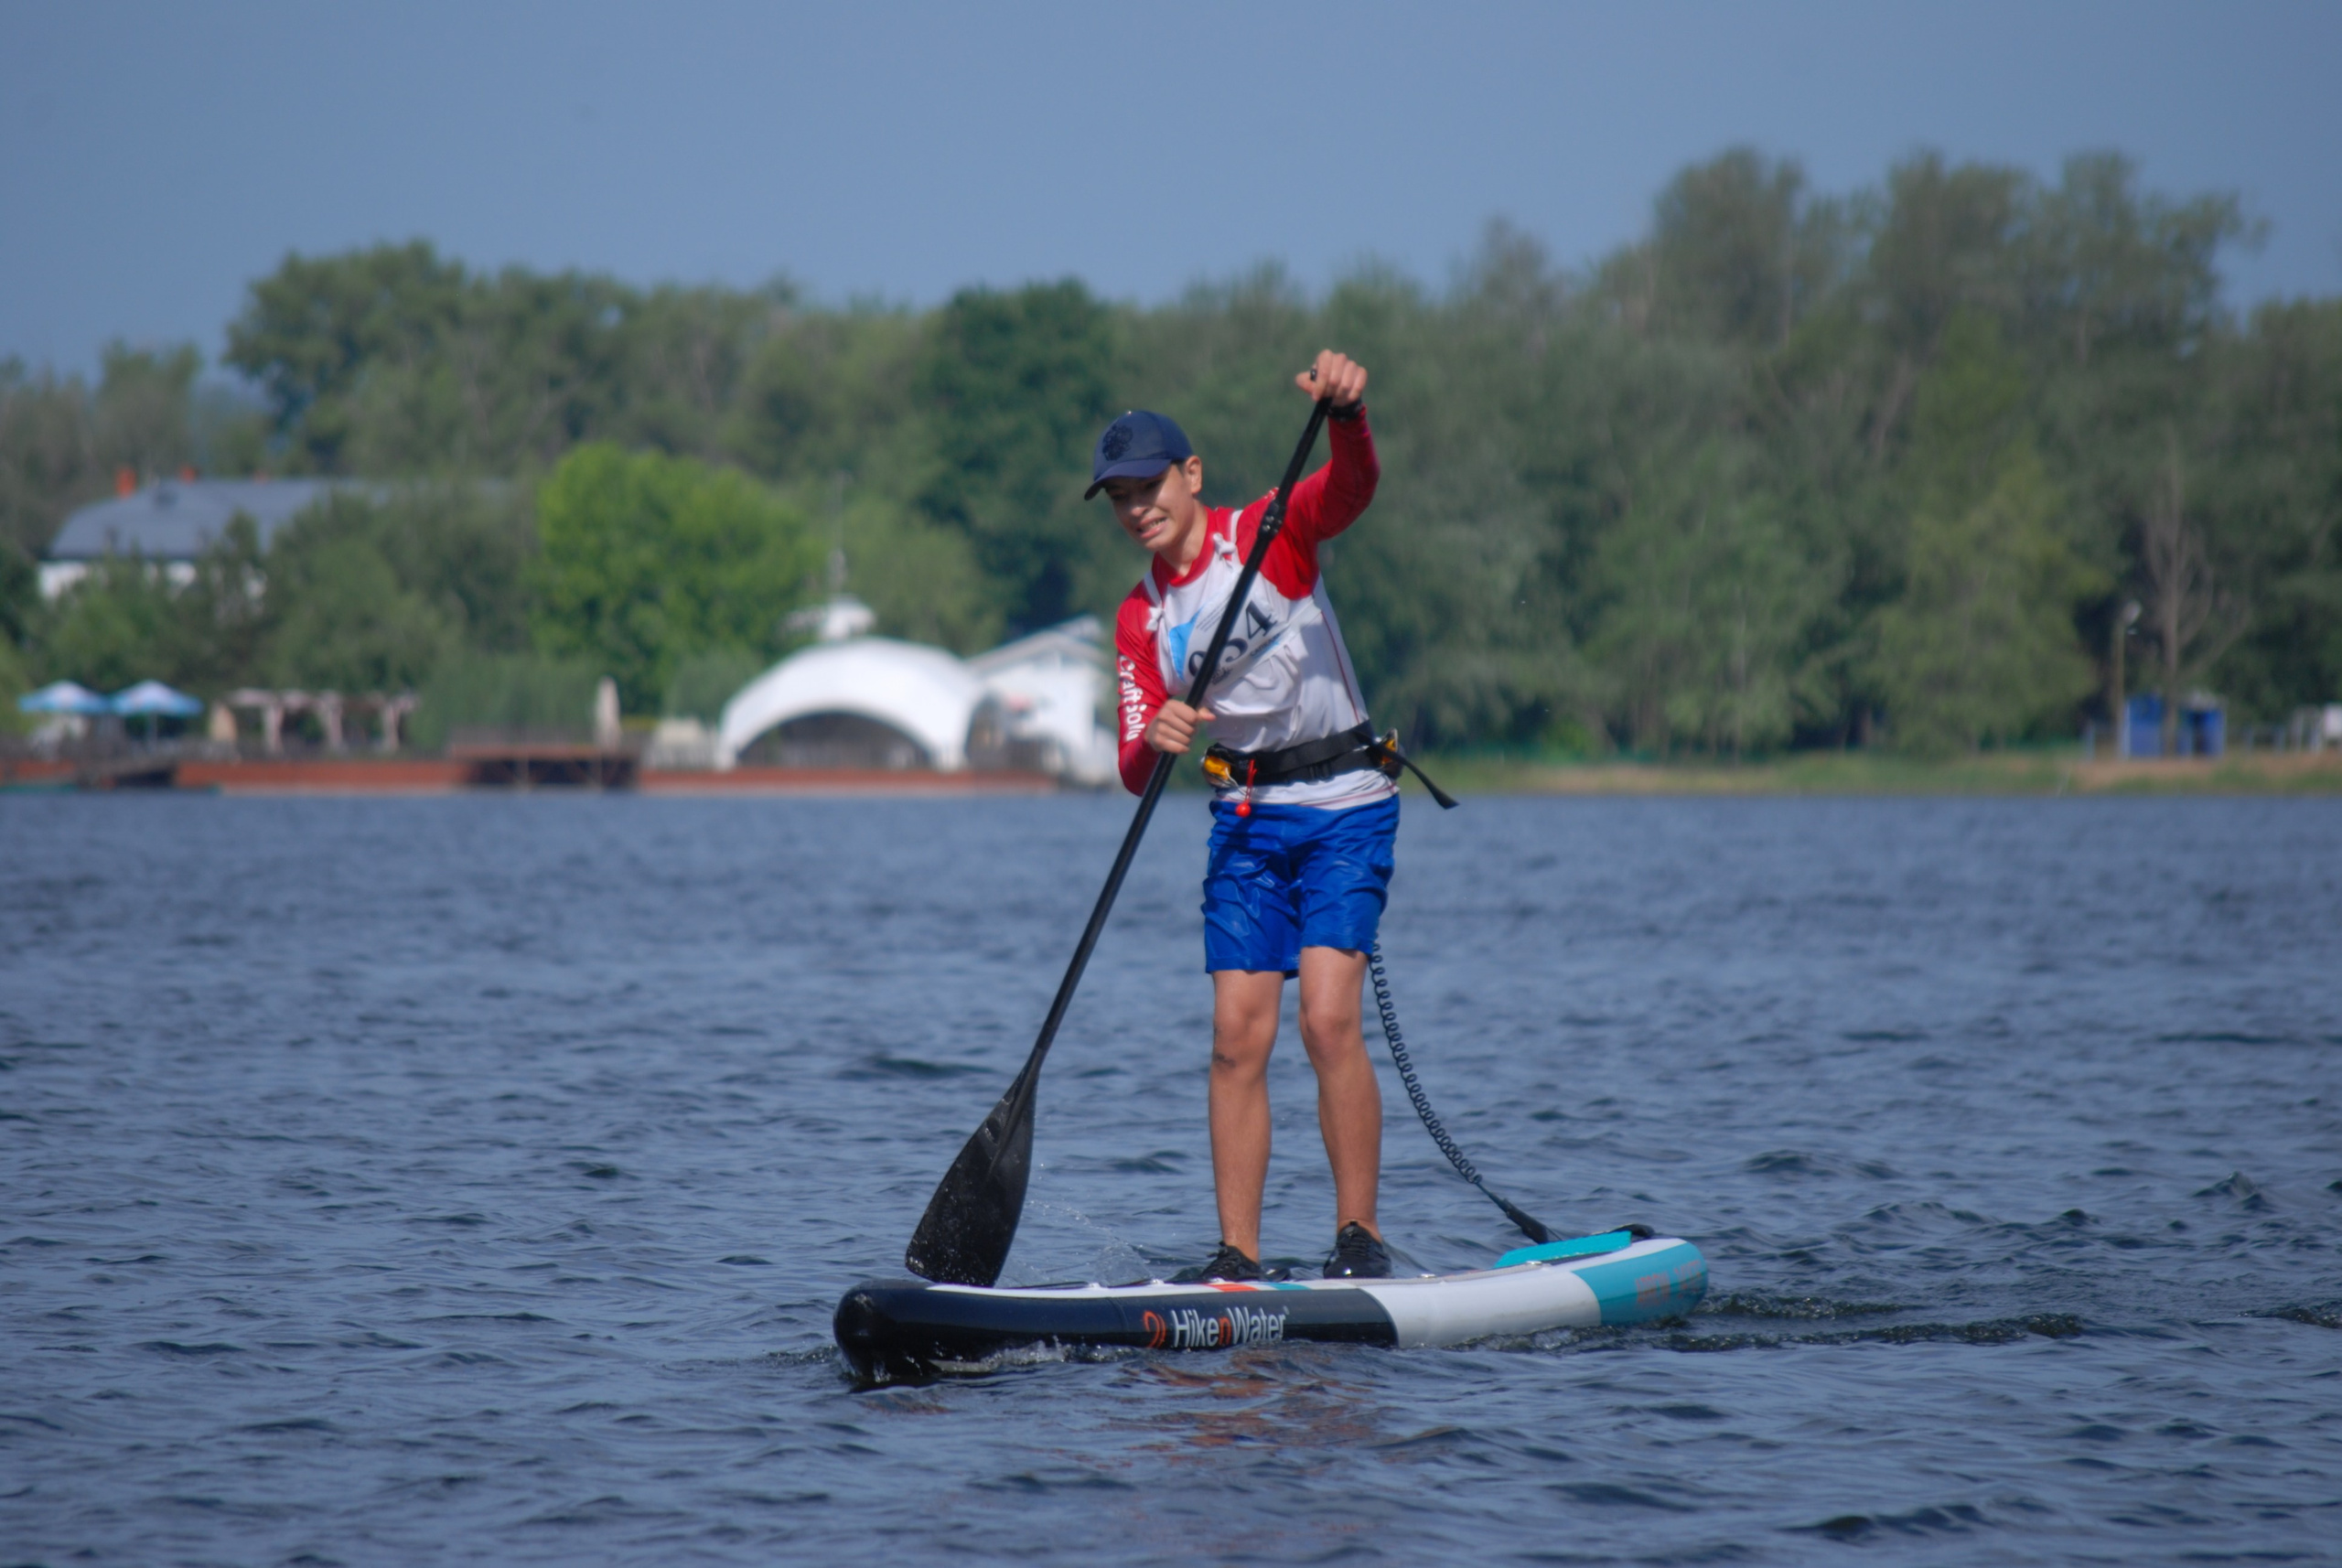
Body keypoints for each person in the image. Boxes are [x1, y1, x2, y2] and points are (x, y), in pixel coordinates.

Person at [1093, 349, 1397, 1283]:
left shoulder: (1269, 531)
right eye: (1119, 496)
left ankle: (1357, 1241)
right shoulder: (1140, 619)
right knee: (1236, 1038)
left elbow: (1350, 490)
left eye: (1151, 484)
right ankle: (1239, 1258)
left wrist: (1347, 413)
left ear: (1191, 477)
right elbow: (1132, 768)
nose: (1138, 505)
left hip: (1345, 800)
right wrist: (1160, 740)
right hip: (1246, 819)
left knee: (1327, 1022)